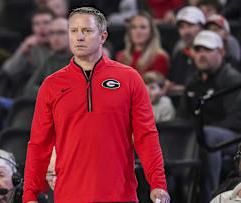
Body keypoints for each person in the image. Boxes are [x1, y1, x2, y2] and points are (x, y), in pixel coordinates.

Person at [23, 7, 170, 203]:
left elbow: (146, 136)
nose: (79, 37)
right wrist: (30, 194)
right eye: (73, 31)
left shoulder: (129, 78)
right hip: (69, 196)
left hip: (120, 195)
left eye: (87, 31)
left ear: (102, 36)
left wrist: (158, 184)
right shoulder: (51, 85)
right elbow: (39, 145)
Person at [177, 30, 241, 203]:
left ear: (220, 52)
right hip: (199, 138)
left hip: (232, 139)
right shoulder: (192, 81)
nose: (201, 55)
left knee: (208, 135)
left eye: (207, 50)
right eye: (197, 50)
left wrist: (203, 131)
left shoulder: (232, 79)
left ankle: (210, 196)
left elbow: (236, 120)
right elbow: (183, 116)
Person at [1, 8, 55, 95]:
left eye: (46, 23)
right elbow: (9, 70)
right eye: (36, 24)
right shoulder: (30, 46)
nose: (41, 28)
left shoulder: (66, 46)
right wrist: (23, 51)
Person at [23, 17, 72, 98]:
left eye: (61, 32)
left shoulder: (83, 60)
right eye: (51, 33)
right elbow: (29, 90)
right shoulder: (49, 59)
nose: (55, 38)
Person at [115, 11, 169, 76]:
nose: (138, 31)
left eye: (143, 27)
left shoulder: (160, 58)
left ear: (151, 32)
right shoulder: (121, 56)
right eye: (133, 27)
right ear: (129, 32)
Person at [167, 6, 205, 92]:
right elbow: (171, 81)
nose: (186, 31)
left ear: (202, 26)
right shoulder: (180, 55)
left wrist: (185, 90)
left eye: (190, 25)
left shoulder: (210, 55)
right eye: (182, 27)